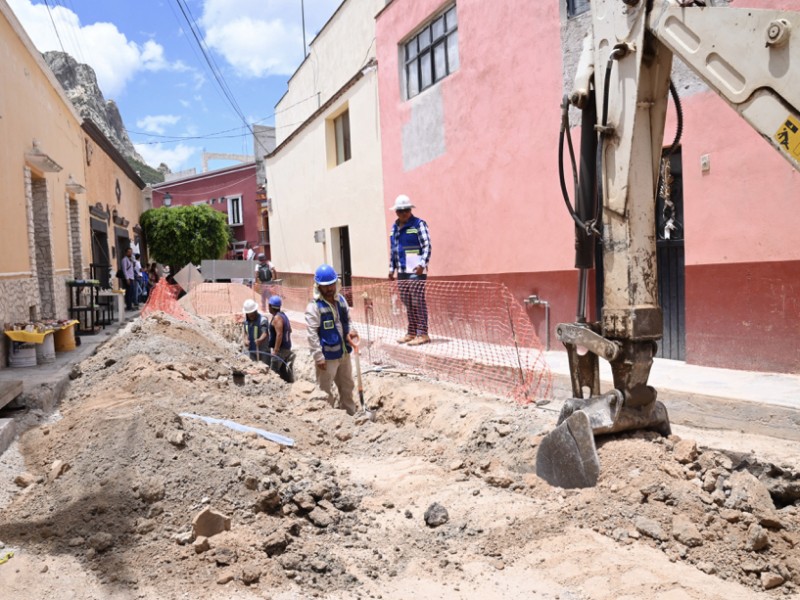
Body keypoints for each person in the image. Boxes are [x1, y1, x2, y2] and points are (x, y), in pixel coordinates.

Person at [305, 264, 359, 415]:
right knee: (325, 389)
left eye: (331, 285)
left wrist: (351, 331)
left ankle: (350, 415)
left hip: (344, 353)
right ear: (318, 287)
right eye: (325, 286)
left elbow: (347, 321)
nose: (329, 289)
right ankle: (327, 417)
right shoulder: (314, 307)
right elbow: (312, 334)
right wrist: (318, 356)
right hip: (326, 358)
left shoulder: (341, 300)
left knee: (347, 386)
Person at [388, 194, 431, 346]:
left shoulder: (419, 224)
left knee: (417, 300)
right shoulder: (394, 228)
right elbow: (393, 249)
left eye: (406, 210)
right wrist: (391, 268)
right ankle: (412, 332)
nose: (403, 213)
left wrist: (422, 264)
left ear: (410, 210)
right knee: (407, 301)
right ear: (396, 212)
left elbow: (426, 245)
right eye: (400, 211)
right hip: (402, 269)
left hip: (416, 268)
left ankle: (423, 333)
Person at [267, 295, 295, 383]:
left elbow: (279, 334)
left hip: (281, 350)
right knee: (282, 370)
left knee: (273, 371)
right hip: (286, 347)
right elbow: (290, 330)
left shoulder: (277, 318)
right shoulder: (283, 315)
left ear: (270, 306)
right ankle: (287, 385)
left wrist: (276, 350)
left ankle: (274, 389)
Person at [242, 298, 270, 363]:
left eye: (252, 313)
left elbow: (265, 333)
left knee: (264, 368)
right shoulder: (246, 322)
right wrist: (245, 340)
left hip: (263, 351)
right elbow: (246, 332)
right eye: (249, 314)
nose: (251, 315)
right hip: (252, 350)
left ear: (255, 311)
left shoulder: (262, 320)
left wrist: (260, 340)